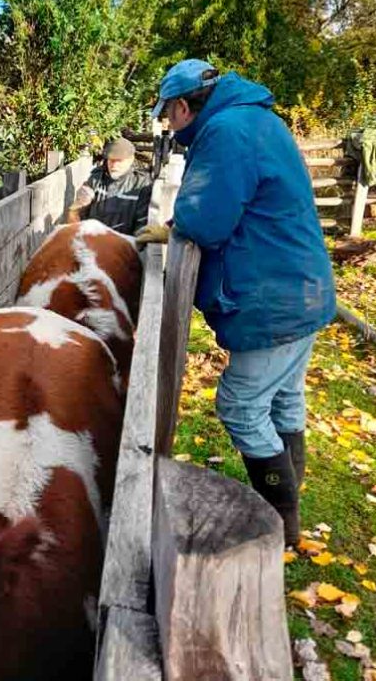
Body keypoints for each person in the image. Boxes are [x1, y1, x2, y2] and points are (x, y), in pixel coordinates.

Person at [139, 59, 336, 545]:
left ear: (184, 106)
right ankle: (289, 518)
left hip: (273, 296)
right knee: (284, 397)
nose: (169, 125)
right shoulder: (255, 118)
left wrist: (180, 222)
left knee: (242, 405)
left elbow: (204, 218)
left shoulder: (226, 131)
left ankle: (277, 523)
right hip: (299, 285)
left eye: (169, 114)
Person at [68, 136, 152, 236]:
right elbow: (76, 216)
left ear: (130, 160)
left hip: (124, 243)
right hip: (93, 240)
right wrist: (75, 209)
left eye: (119, 161)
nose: (114, 165)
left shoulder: (141, 184)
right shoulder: (96, 179)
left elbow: (142, 224)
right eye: (111, 160)